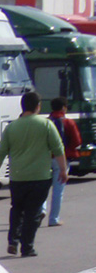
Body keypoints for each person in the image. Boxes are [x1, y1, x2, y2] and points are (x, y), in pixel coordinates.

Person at [0, 91, 66, 257]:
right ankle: (27, 246)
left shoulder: (12, 127)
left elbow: (1, 153)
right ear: (38, 106)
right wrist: (62, 170)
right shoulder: (46, 125)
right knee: (33, 213)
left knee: (17, 209)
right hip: (40, 176)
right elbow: (58, 149)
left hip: (17, 177)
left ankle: (13, 241)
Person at [42, 96, 81, 227]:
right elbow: (77, 141)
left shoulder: (46, 122)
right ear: (64, 107)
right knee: (58, 190)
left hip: (46, 158)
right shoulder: (68, 122)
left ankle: (41, 210)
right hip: (62, 159)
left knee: (43, 188)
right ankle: (54, 218)